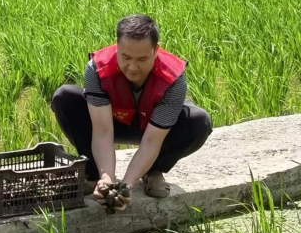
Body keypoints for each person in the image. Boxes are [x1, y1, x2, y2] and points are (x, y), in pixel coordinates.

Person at [51, 15, 212, 207]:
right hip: (114, 122)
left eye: (142, 59)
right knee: (65, 97)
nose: (133, 67)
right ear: (117, 48)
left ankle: (153, 170)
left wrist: (126, 186)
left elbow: (152, 141)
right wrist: (107, 177)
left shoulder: (173, 78)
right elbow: (102, 132)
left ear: (156, 50)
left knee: (199, 120)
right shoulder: (97, 69)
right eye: (125, 57)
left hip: (155, 130)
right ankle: (94, 175)